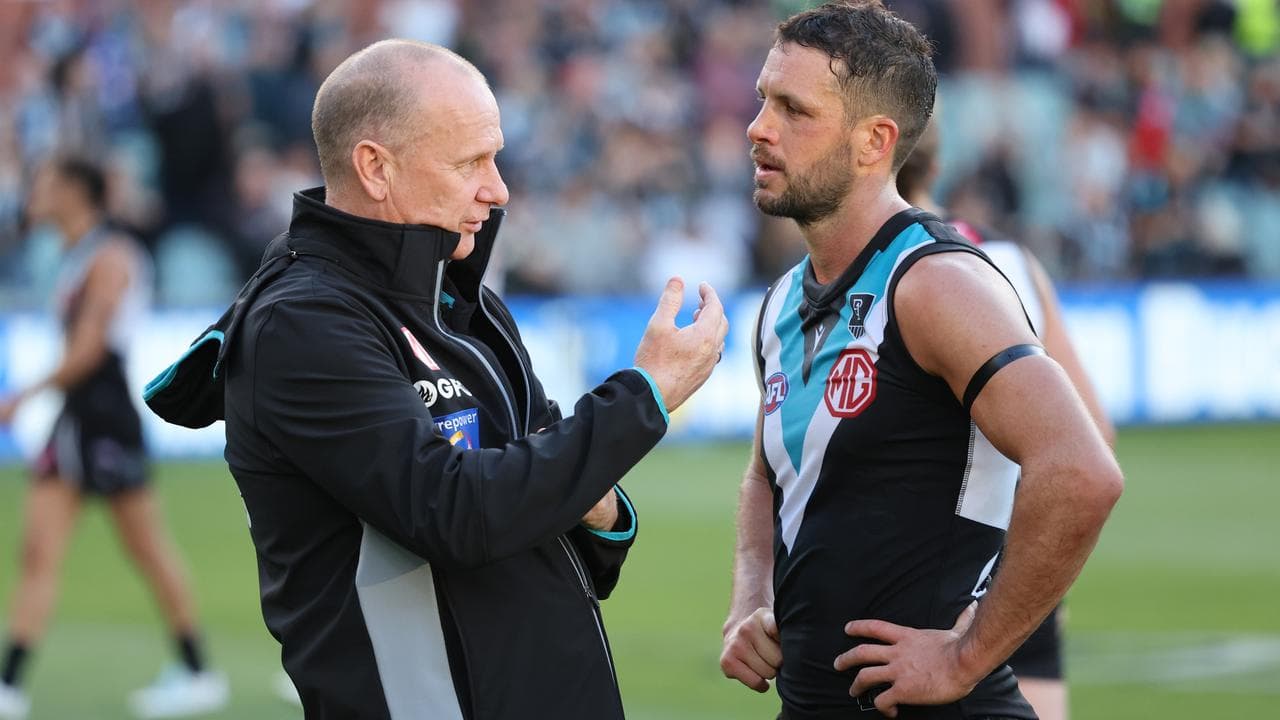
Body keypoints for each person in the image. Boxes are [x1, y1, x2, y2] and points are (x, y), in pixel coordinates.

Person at [143, 40, 727, 719]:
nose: (498, 189)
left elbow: (577, 545)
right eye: (470, 162)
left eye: (496, 157)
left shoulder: (460, 298)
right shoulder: (301, 325)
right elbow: (455, 515)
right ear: (375, 168)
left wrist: (603, 512)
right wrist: (643, 398)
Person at [718, 3, 1123, 719]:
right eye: (763, 100)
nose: (759, 128)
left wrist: (965, 657)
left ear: (874, 141)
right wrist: (752, 594)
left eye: (794, 109)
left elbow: (1082, 470)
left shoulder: (934, 284)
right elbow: (763, 476)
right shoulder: (781, 300)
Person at [895, 112, 1118, 720]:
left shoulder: (856, 274)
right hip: (1007, 560)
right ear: (938, 166)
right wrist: (1043, 571)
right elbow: (1093, 432)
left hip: (906, 574)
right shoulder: (1008, 260)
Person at [0, 157, 229, 720]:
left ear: (76, 192)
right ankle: (9, 685)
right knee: (39, 550)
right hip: (75, 419)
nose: (36, 193)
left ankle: (199, 672)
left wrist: (22, 397)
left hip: (103, 418)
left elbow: (90, 350)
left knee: (146, 547)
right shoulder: (78, 254)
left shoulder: (110, 256)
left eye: (47, 182)